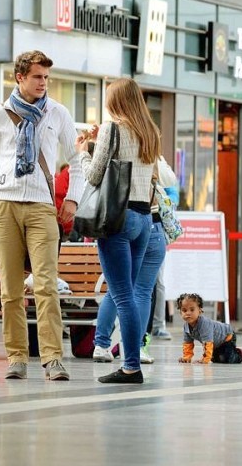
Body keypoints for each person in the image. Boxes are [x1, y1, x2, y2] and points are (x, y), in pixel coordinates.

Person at [0, 50, 82, 381]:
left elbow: (76, 159)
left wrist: (72, 198)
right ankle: (16, 356)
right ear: (19, 77)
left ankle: (52, 358)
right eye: (37, 76)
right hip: (4, 206)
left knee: (46, 285)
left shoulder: (57, 113)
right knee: (11, 289)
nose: (43, 83)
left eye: (46, 77)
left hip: (43, 207)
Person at [76, 78, 167, 383]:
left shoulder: (112, 128)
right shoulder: (150, 132)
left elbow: (94, 175)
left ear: (115, 101)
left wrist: (83, 152)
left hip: (118, 218)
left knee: (122, 295)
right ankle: (133, 360)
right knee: (131, 293)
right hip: (143, 219)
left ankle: (130, 366)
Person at [176, 293, 242, 364]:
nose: (188, 313)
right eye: (184, 310)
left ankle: (239, 354)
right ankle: (218, 353)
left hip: (227, 337)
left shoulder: (204, 324)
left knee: (227, 359)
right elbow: (188, 343)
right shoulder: (186, 327)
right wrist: (187, 357)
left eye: (192, 310)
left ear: (200, 311)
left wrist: (204, 359)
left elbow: (207, 343)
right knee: (216, 359)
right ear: (180, 313)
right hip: (215, 343)